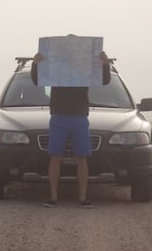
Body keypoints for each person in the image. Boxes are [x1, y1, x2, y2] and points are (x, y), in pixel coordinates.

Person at [31, 49, 111, 208]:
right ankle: (53, 197)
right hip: (59, 116)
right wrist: (35, 64)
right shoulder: (55, 68)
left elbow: (105, 80)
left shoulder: (85, 69)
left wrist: (105, 64)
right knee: (55, 157)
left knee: (82, 158)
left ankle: (82, 197)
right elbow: (37, 80)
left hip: (79, 117)